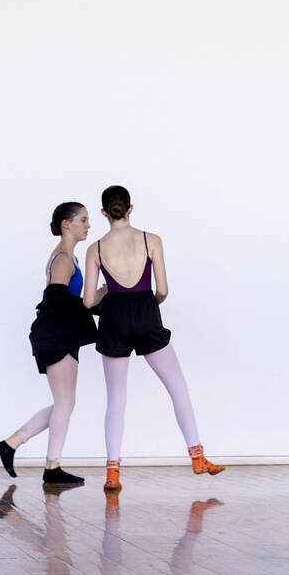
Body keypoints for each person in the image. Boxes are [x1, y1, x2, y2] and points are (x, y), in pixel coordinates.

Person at [82, 185, 224, 492]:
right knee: (178, 388)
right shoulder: (152, 240)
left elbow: (89, 300)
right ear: (131, 208)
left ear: (104, 213)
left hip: (114, 318)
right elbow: (162, 290)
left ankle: (113, 473)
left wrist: (113, 293)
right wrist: (145, 306)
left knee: (116, 399)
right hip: (147, 313)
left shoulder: (95, 248)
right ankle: (198, 457)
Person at [0, 202, 103, 486]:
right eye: (83, 220)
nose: (88, 225)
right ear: (67, 224)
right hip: (56, 334)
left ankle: (12, 445)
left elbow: (67, 302)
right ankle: (51, 467)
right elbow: (55, 302)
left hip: (61, 332)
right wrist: (92, 300)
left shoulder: (69, 257)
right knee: (65, 403)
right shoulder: (64, 259)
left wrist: (95, 297)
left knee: (64, 403)